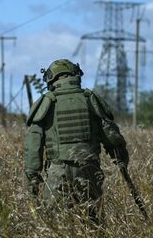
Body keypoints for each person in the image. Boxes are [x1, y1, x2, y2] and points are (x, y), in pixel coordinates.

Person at [24, 59, 129, 224]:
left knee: (58, 228)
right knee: (94, 223)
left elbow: (33, 148)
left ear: (51, 79)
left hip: (58, 173)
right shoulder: (90, 99)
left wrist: (32, 184)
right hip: (89, 169)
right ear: (76, 75)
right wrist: (121, 161)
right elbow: (112, 137)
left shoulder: (45, 103)